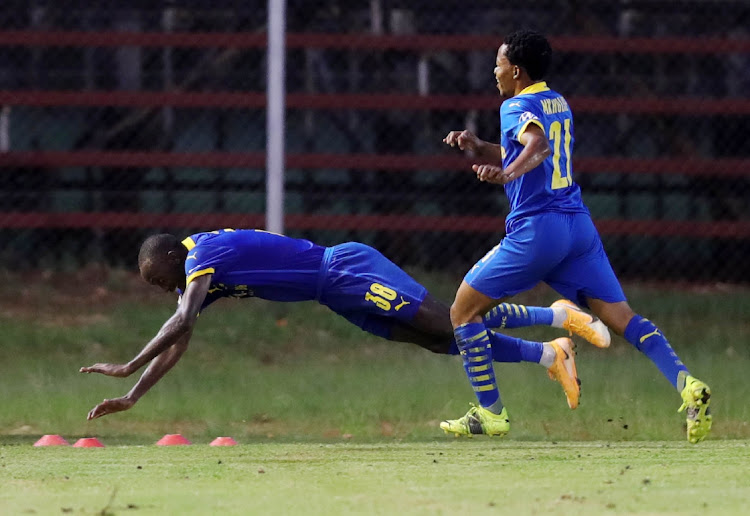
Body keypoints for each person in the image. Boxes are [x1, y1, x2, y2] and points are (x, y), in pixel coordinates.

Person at [440, 30, 711, 443]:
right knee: (624, 319)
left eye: (498, 64)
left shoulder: (516, 104)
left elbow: (538, 146)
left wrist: (507, 174)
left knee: (462, 313)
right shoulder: (557, 101)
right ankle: (688, 386)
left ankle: (491, 413)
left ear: (515, 70)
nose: (493, 71)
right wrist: (481, 147)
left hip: (538, 229)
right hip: (577, 228)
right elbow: (529, 148)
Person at [80, 228, 594, 420]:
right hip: (335, 296)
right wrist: (134, 396)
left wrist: (127, 367)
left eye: (158, 278)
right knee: (441, 342)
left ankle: (557, 315)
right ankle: (550, 353)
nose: (162, 287)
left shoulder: (203, 255)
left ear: (173, 254)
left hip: (347, 269)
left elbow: (181, 319)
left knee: (451, 321)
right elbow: (180, 338)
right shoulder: (199, 277)